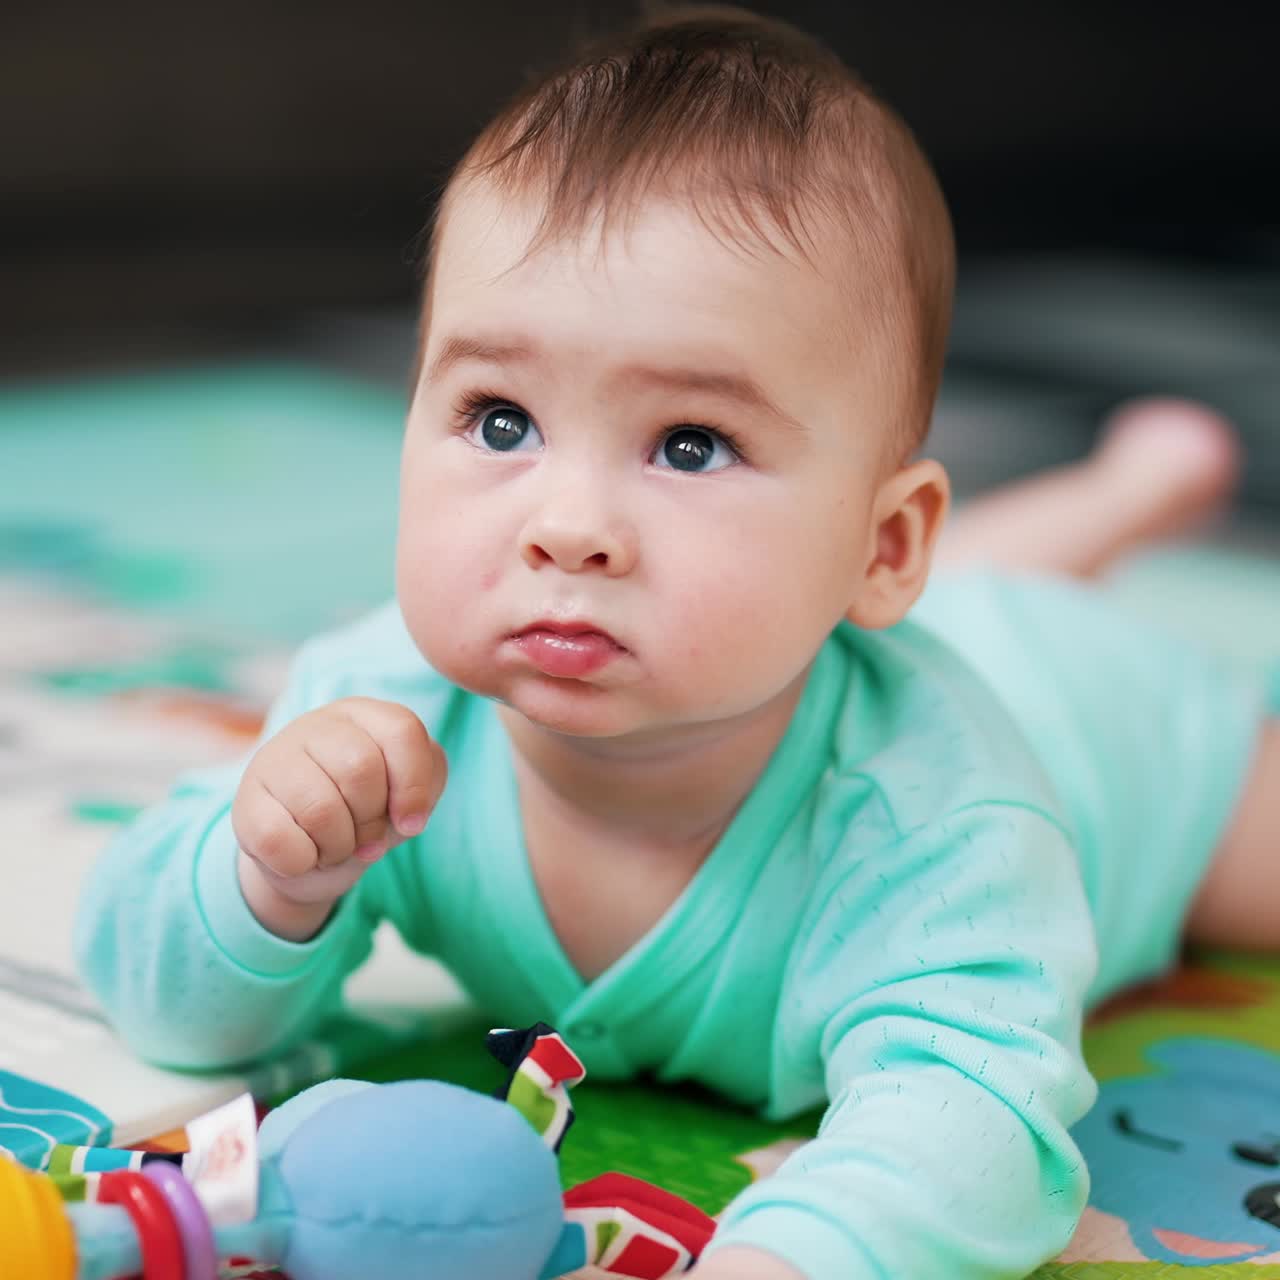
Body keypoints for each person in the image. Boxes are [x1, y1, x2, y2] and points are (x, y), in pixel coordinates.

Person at [74, 8, 1278, 1279]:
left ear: (882, 548)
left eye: (689, 443)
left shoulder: (939, 822)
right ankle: (1122, 492)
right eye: (498, 419)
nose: (568, 527)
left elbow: (977, 1122)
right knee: (933, 594)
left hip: (1121, 731)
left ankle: (1115, 505)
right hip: (886, 616)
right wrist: (267, 884)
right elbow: (169, 1005)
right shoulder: (380, 715)